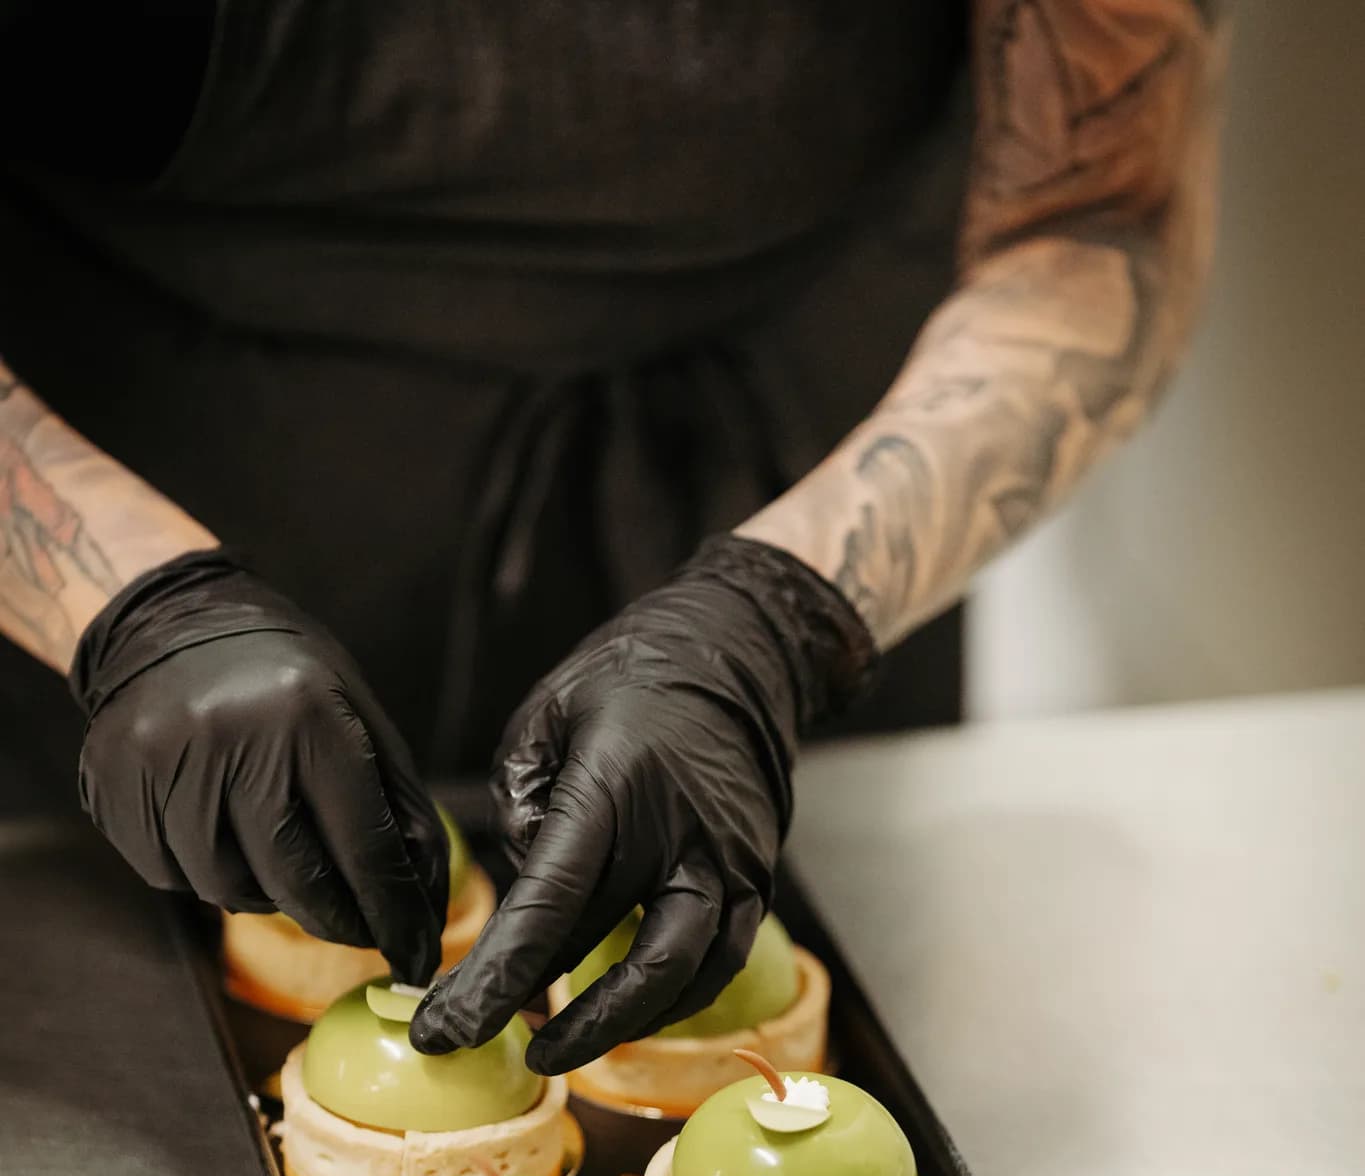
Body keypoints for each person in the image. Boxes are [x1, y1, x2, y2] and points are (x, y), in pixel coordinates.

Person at [0, 2, 1223, 1073]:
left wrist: (777, 619)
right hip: (146, 542)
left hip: (813, 511)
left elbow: (1100, 220)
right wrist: (132, 614)